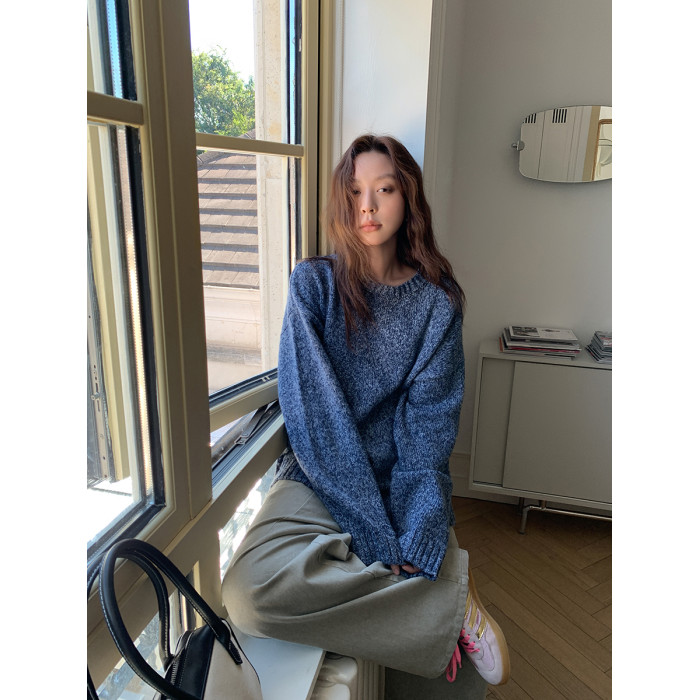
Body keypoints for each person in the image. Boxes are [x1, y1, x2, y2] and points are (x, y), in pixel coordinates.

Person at [222, 134, 510, 687]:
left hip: (400, 478)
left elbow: (427, 436)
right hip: (318, 476)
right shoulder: (313, 286)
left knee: (452, 681)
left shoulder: (437, 304)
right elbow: (315, 421)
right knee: (246, 593)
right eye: (355, 192)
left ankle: (440, 600)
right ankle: (449, 600)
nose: (368, 207)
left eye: (385, 189)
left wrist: (418, 523)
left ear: (409, 198)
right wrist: (375, 535)